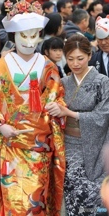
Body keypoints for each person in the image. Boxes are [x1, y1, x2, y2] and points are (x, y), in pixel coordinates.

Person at [0, 0, 66, 215]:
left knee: (36, 201)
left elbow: (58, 98)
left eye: (34, 35)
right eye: (23, 35)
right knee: (12, 201)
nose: (29, 41)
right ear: (14, 35)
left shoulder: (48, 66)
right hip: (10, 143)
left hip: (39, 146)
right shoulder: (0, 67)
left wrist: (58, 107)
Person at [46, 34, 109, 215]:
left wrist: (69, 113)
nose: (75, 64)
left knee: (94, 199)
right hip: (69, 146)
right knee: (72, 193)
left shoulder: (103, 82)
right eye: (71, 59)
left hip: (95, 147)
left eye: (80, 58)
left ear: (90, 56)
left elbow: (103, 116)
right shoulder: (63, 83)